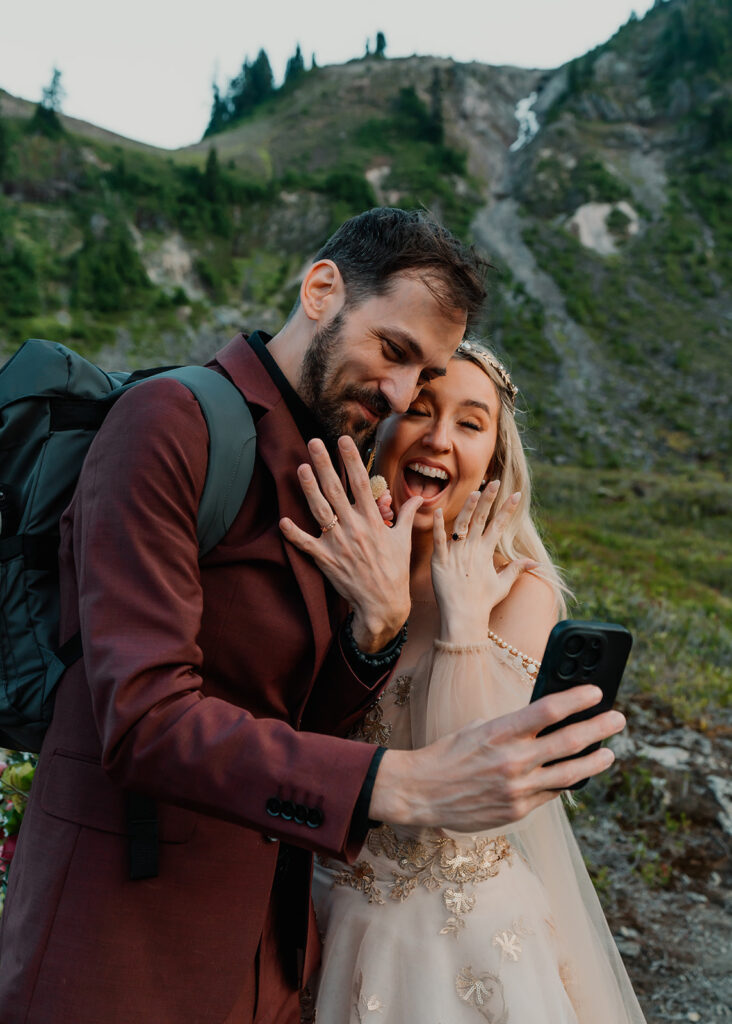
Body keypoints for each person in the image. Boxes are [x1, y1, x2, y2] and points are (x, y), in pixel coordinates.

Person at [0, 209, 625, 1024]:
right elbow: (144, 720)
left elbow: (292, 715)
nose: (401, 394)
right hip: (127, 954)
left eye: (425, 372)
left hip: (274, 958)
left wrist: (378, 630)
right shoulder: (171, 422)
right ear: (323, 289)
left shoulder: (331, 466)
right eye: (396, 354)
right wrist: (401, 784)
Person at [304, 342, 646, 1023]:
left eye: (469, 421)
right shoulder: (338, 559)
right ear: (382, 426)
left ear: (494, 455)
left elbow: (477, 785)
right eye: (420, 410)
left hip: (461, 944)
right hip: (322, 912)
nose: (437, 437)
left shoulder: (521, 589)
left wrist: (461, 620)